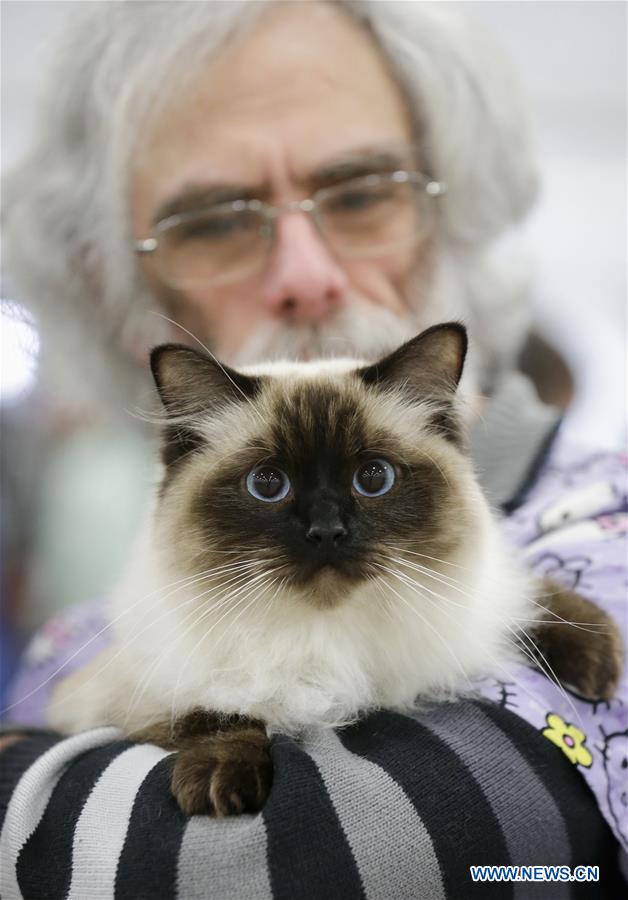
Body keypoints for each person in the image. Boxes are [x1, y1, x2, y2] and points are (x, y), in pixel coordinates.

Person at [1, 2, 626, 897]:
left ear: (460, 214)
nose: (303, 274)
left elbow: (482, 861)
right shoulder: (70, 640)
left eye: (362, 192)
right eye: (214, 220)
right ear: (114, 287)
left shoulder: (607, 538)